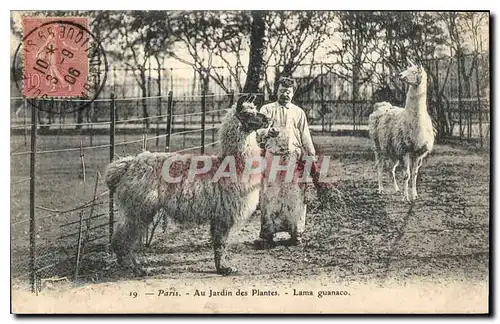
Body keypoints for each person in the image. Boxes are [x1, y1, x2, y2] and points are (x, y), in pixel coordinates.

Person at [257, 77, 316, 247]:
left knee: (295, 194)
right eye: (282, 91)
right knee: (271, 193)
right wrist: (268, 131)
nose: (285, 95)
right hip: (272, 156)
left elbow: (305, 135)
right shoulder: (267, 110)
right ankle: (267, 234)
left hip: (293, 157)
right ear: (277, 91)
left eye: (288, 92)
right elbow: (258, 131)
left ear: (293, 93)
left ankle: (296, 232)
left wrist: (311, 155)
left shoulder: (298, 112)